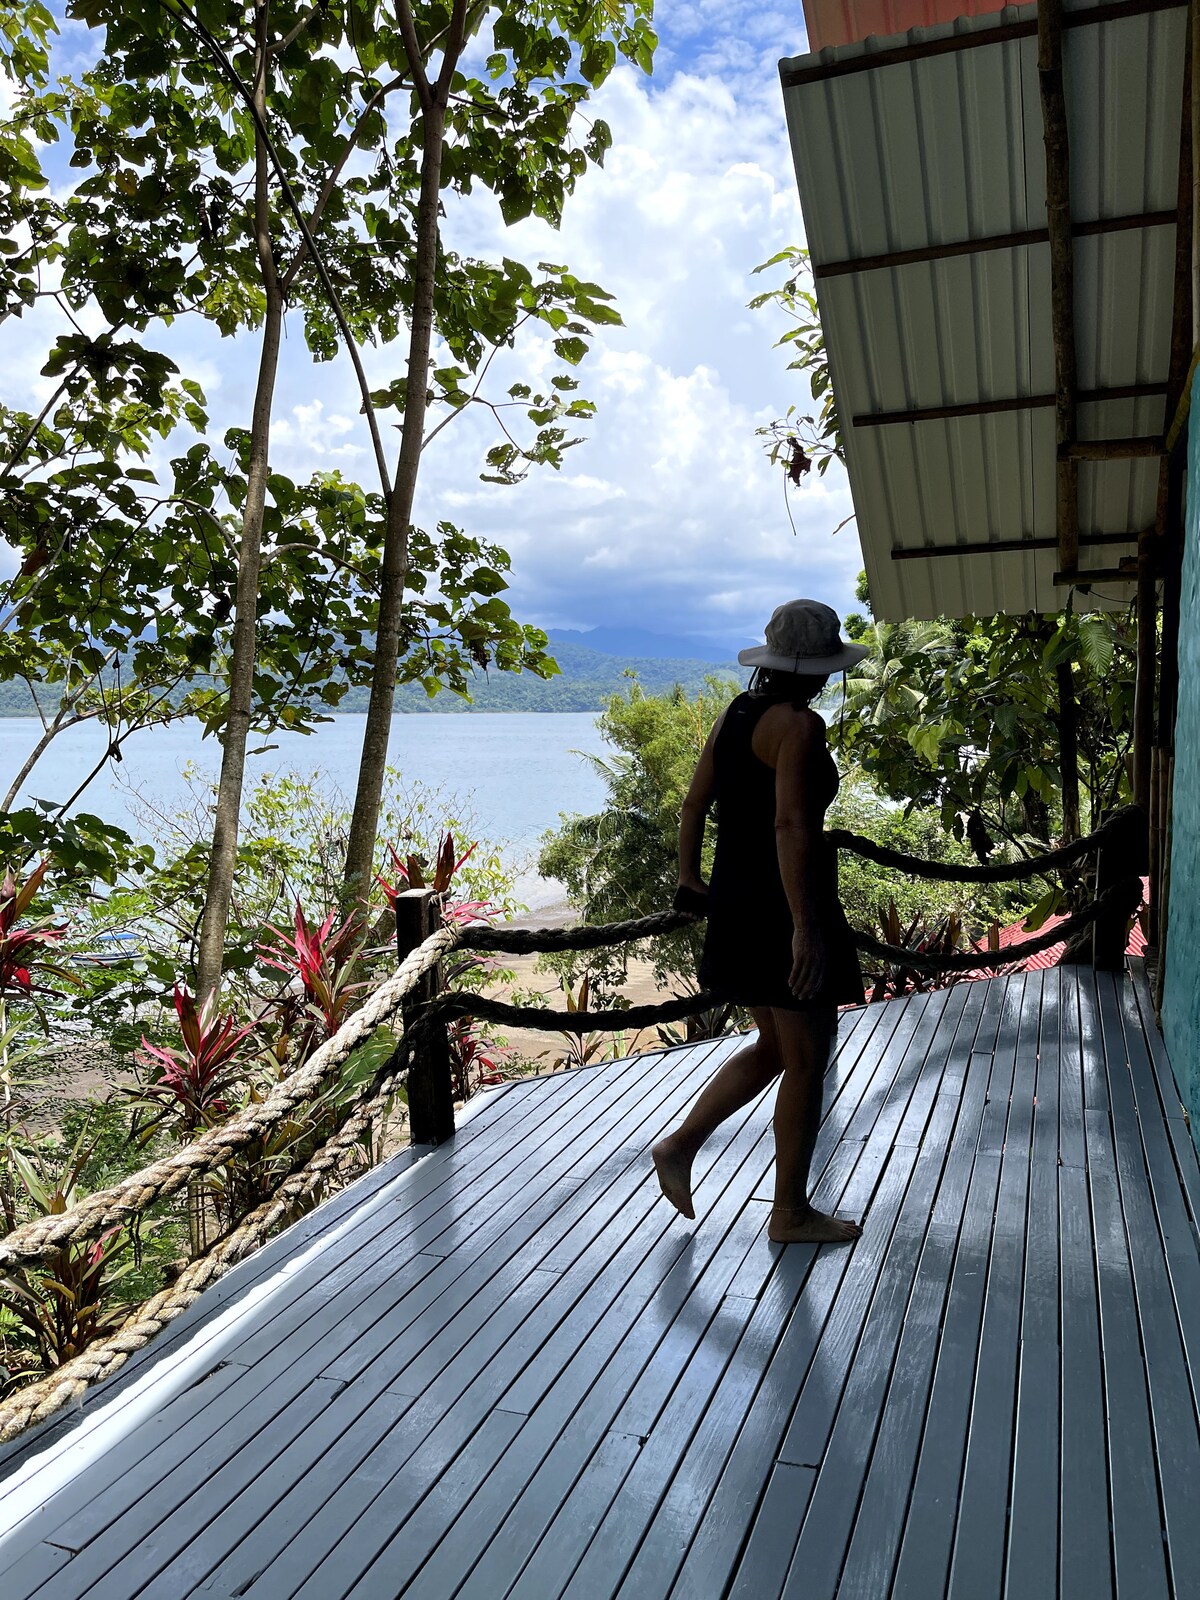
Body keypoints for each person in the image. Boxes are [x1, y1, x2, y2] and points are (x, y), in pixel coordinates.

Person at [651, 598, 869, 1244]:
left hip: (736, 900)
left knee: (775, 1046)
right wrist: (805, 927)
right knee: (806, 1058)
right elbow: (791, 825)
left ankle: (680, 1146)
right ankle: (790, 1212)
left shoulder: (736, 713)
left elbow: (694, 804)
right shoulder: (799, 727)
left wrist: (690, 878)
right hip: (782, 905)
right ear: (818, 669)